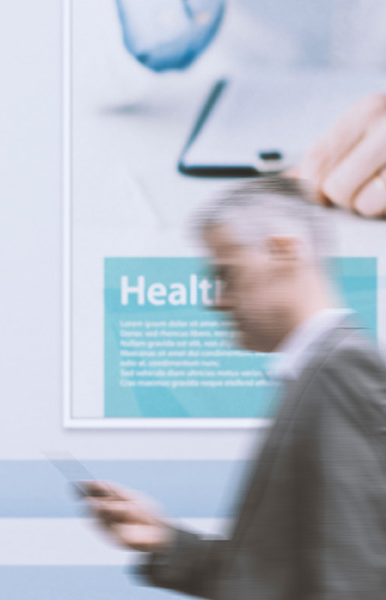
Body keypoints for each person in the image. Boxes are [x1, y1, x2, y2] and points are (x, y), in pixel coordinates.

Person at [83, 177, 386, 599]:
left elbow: (351, 572)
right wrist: (162, 539)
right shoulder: (316, 374)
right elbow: (270, 575)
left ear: (284, 252)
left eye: (226, 274)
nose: (216, 300)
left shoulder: (341, 370)